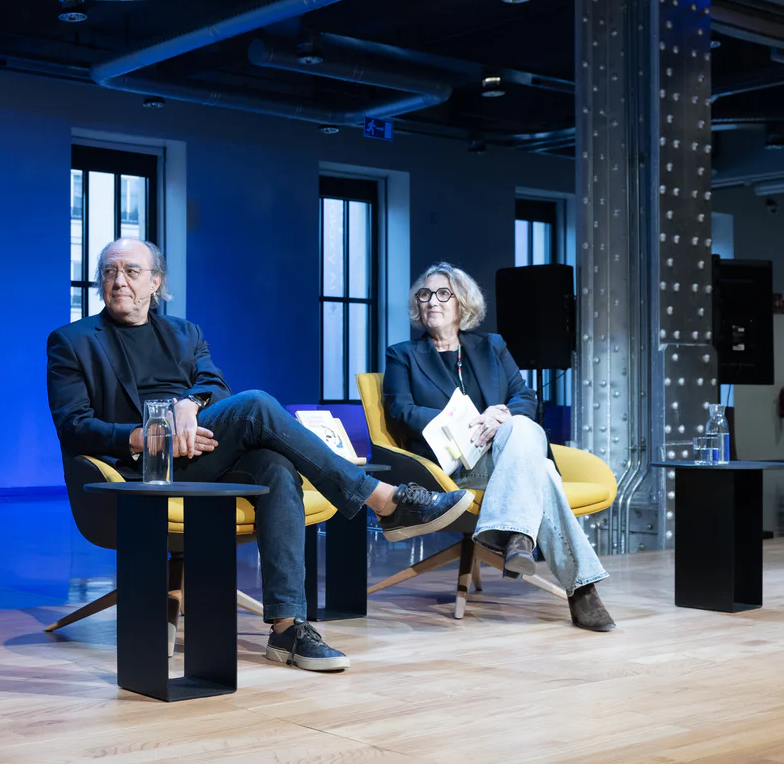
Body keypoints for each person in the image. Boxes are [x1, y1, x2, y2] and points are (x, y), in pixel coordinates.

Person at [46, 238, 473, 672]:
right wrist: (148, 436)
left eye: (131, 271)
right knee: (257, 407)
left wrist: (189, 405)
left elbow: (214, 385)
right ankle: (382, 500)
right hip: (138, 474)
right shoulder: (72, 341)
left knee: (275, 464)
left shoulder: (184, 332)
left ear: (155, 282)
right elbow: (74, 425)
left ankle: (288, 629)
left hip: (201, 456)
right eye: (109, 271)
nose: (119, 281)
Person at [381, 262, 615, 631]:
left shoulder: (491, 346)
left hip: (504, 455)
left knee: (519, 425)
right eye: (424, 295)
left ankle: (517, 535)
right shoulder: (403, 355)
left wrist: (498, 419)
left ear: (463, 304)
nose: (431, 301)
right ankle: (577, 587)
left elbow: (523, 396)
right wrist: (472, 418)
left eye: (443, 293)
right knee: (541, 471)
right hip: (453, 463)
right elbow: (401, 411)